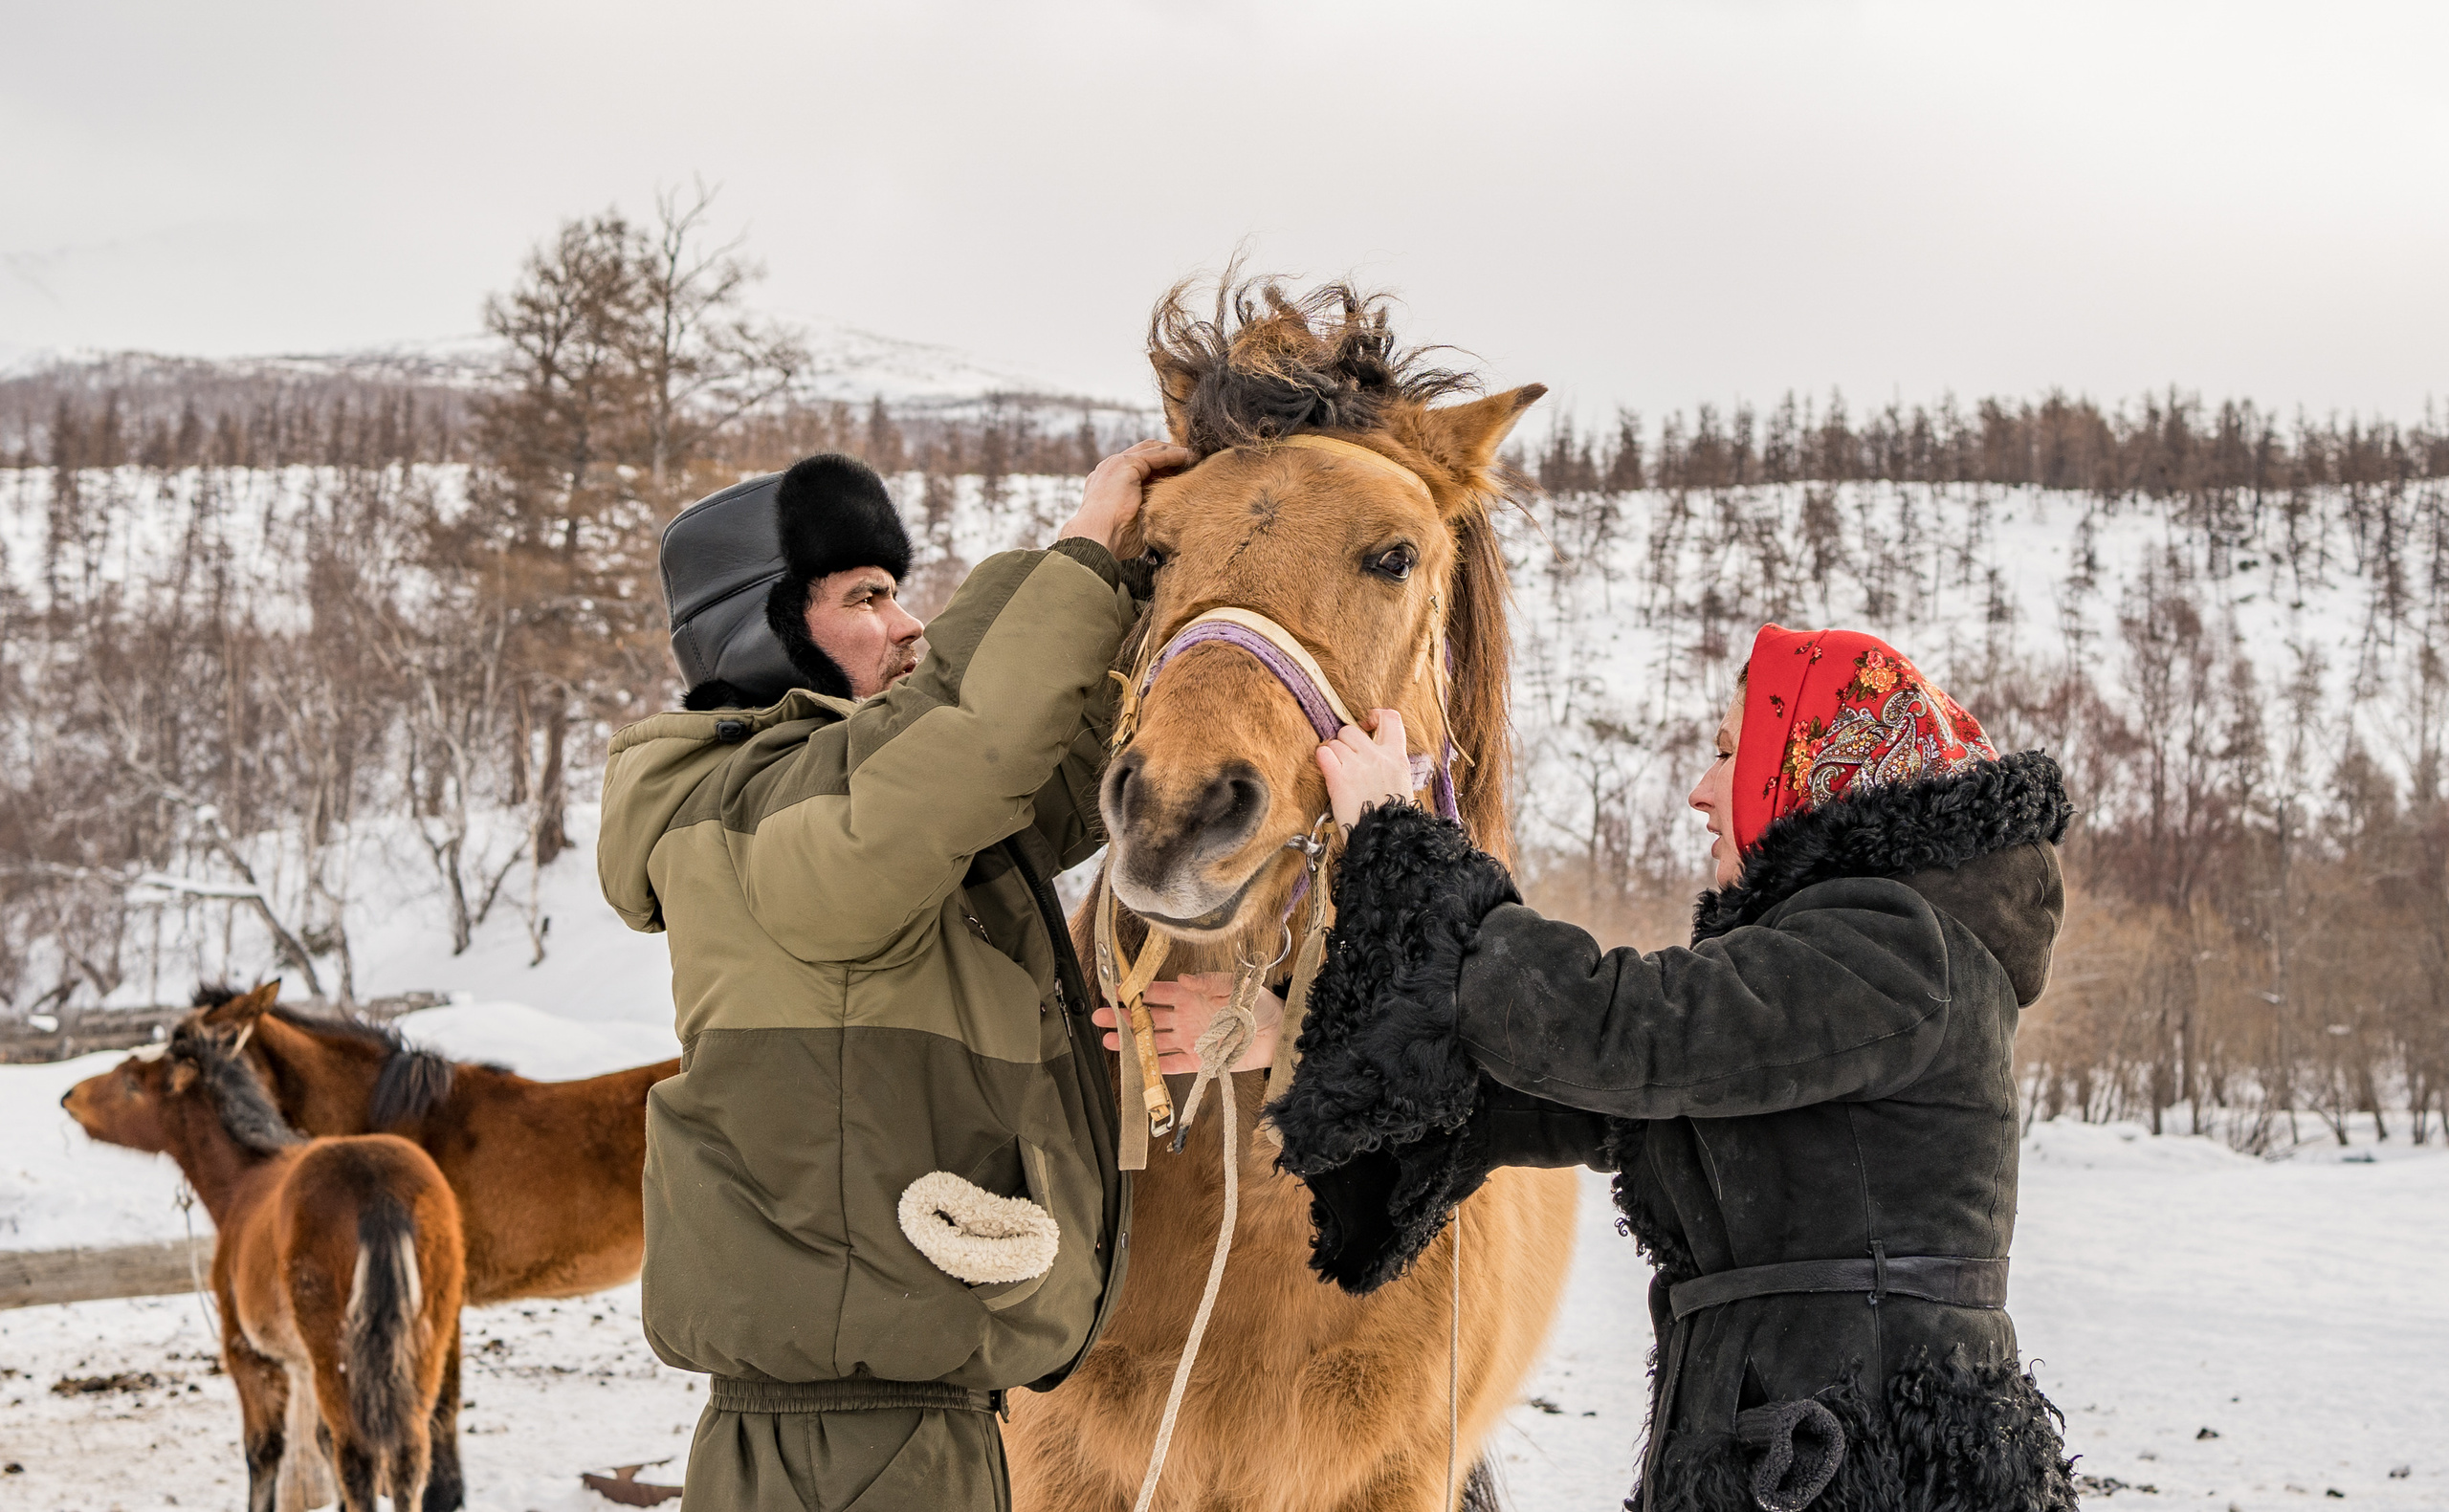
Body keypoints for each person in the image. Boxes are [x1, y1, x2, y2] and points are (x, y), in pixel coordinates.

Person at [1268, 624, 2082, 1512]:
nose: (1699, 792)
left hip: (1872, 1468)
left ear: (1810, 764)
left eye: (1731, 751)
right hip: (1799, 1456)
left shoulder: (1898, 948)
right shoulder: (1845, 960)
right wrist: (1285, 1038)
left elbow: (1624, 1030)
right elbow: (1554, 1098)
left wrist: (1401, 847)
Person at [599, 441, 1188, 1512]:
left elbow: (1038, 764)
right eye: (867, 595)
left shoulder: (852, 805)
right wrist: (1080, 554)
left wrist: (1153, 580)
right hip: (850, 1450)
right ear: (763, 626)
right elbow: (971, 738)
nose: (907, 622)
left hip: (903, 1421)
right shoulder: (753, 815)